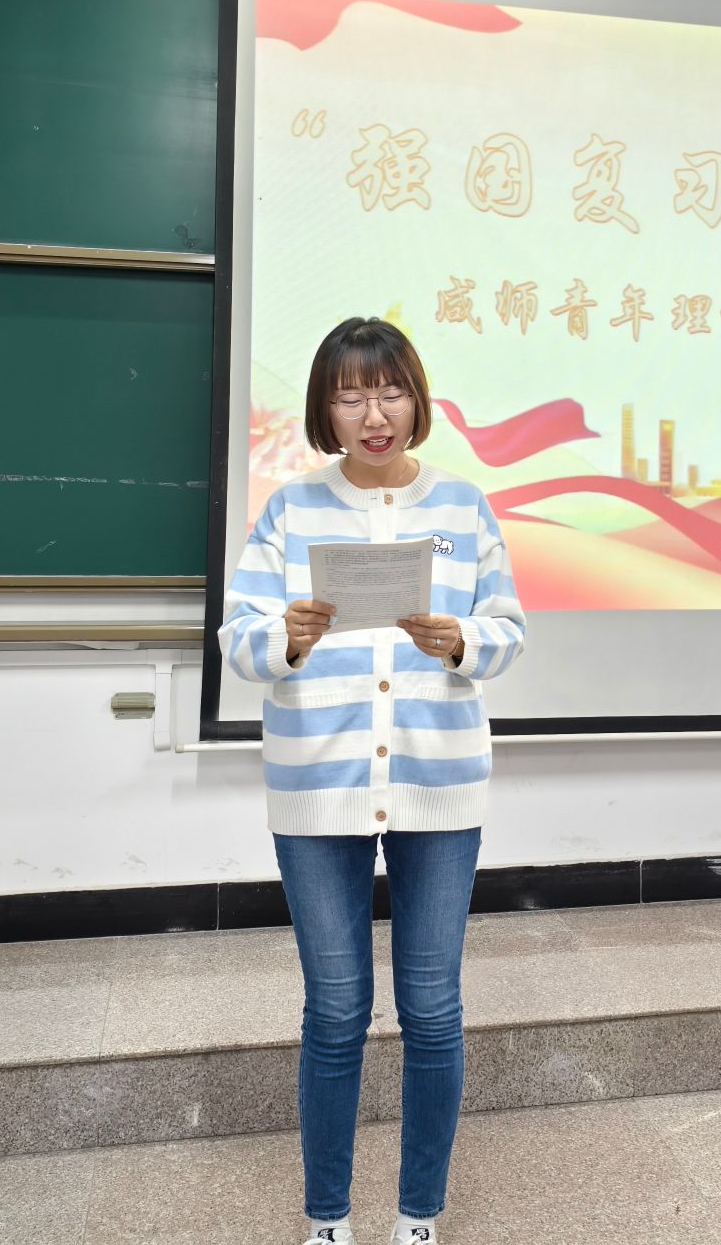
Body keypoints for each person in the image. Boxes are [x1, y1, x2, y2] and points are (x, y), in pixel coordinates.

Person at [219, 316, 527, 1245]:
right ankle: (327, 1218)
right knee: (336, 1010)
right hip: (318, 786)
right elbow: (240, 639)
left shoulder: (463, 507)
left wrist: (463, 639)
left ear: (416, 399)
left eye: (390, 392)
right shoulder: (290, 510)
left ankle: (419, 1214)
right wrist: (286, 637)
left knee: (432, 1009)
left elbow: (508, 629)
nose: (374, 414)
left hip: (439, 782)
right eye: (350, 396)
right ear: (326, 408)